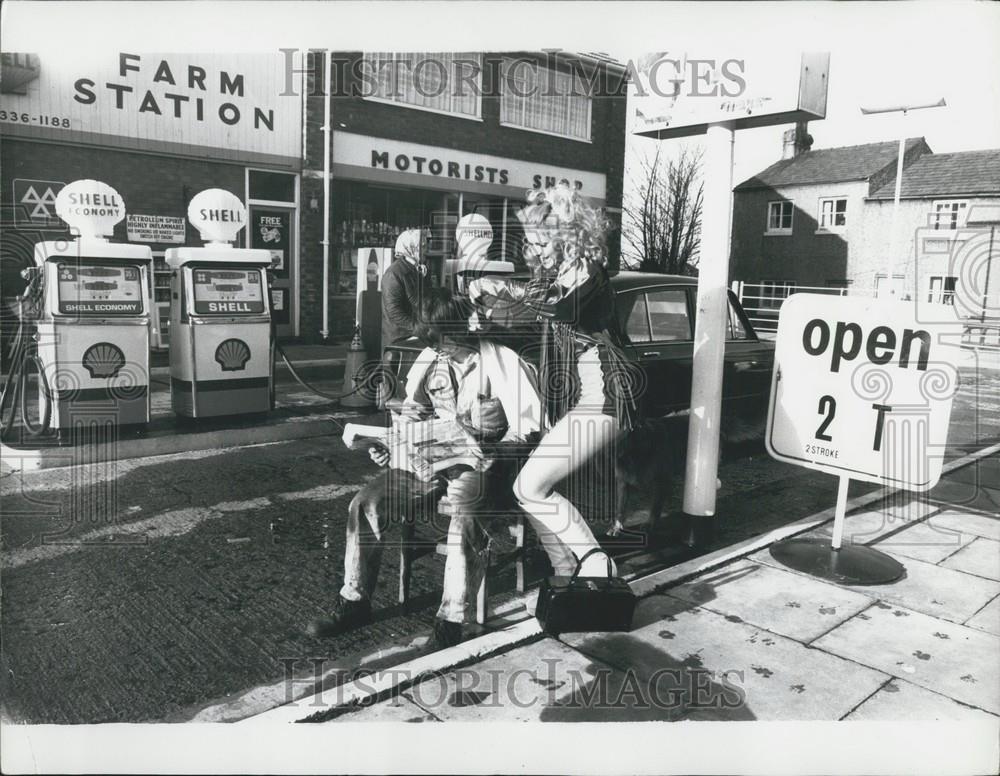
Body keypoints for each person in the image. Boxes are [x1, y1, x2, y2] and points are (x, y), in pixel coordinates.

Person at [308, 288, 542, 648]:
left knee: (464, 511)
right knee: (365, 503)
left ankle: (451, 619)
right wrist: (391, 444)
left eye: (443, 340)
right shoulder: (431, 359)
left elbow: (530, 429)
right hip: (426, 463)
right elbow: (412, 417)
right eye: (432, 342)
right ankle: (354, 601)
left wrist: (495, 449)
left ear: (463, 329)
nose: (437, 349)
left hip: (484, 464)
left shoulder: (504, 362)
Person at [469, 181, 640, 576]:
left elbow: (560, 312)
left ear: (566, 235)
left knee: (530, 487)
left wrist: (504, 292)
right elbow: (532, 331)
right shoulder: (560, 278)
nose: (537, 250)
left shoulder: (589, 274)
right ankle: (575, 570)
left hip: (609, 397)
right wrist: (486, 325)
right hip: (588, 401)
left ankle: (597, 566)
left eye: (542, 242)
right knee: (532, 489)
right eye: (533, 243)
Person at [381, 228, 430, 348]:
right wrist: (419, 328)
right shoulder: (394, 273)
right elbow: (394, 311)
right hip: (400, 337)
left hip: (415, 334)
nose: (426, 250)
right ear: (411, 248)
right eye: (422, 247)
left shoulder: (416, 270)